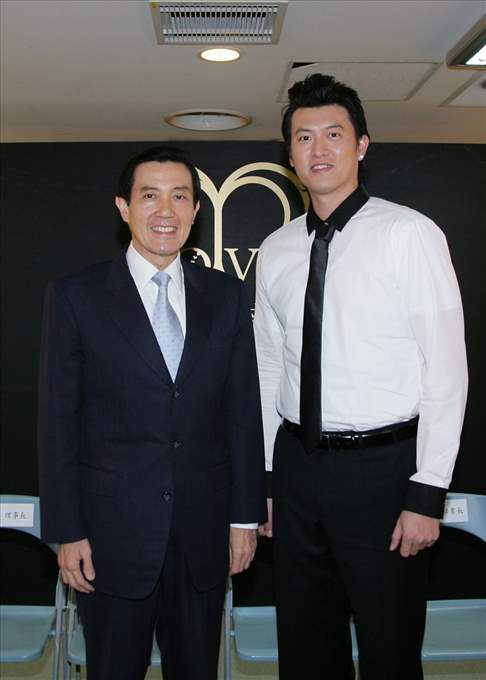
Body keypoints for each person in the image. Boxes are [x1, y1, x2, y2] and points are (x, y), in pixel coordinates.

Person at [254, 74, 468, 680]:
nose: (318, 149)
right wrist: (264, 477)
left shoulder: (409, 234)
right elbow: (269, 366)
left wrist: (427, 491)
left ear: (362, 146)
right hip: (296, 469)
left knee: (389, 649)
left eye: (334, 134)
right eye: (304, 137)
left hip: (384, 473)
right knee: (305, 647)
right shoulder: (276, 249)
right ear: (289, 154)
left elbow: (446, 368)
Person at [38, 145, 267, 680]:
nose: (166, 211)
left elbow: (242, 413)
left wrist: (244, 518)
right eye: (150, 196)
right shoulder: (76, 297)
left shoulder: (227, 296)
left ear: (195, 210)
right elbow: (57, 424)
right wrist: (67, 531)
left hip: (204, 536)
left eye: (179, 197)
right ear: (124, 207)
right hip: (110, 540)